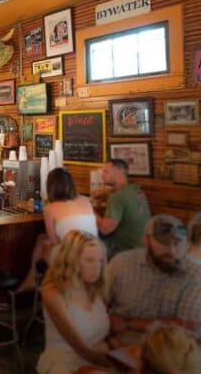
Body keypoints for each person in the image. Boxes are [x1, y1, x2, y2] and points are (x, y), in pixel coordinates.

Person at [106, 214, 201, 346]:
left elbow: (187, 327)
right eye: (163, 243)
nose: (171, 250)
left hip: (167, 352)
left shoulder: (195, 274)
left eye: (176, 243)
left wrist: (128, 323)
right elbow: (98, 301)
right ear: (146, 240)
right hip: (117, 344)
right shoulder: (121, 263)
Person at [37, 230, 111, 374]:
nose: (97, 267)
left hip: (99, 359)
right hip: (65, 364)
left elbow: (107, 334)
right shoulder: (54, 293)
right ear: (72, 260)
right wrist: (124, 365)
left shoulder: (96, 287)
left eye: (100, 260)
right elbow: (82, 350)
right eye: (89, 260)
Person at [19, 169, 98, 292]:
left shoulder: (50, 208)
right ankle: (32, 281)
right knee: (41, 239)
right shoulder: (86, 201)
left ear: (51, 187)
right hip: (95, 254)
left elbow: (54, 240)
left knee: (44, 243)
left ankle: (33, 281)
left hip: (72, 259)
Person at [95, 158, 151, 259]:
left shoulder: (117, 197)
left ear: (120, 171)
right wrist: (105, 193)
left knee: (88, 243)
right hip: (145, 248)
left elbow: (105, 229)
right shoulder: (136, 189)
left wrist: (90, 211)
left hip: (127, 251)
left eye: (106, 171)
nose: (102, 175)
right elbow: (124, 200)